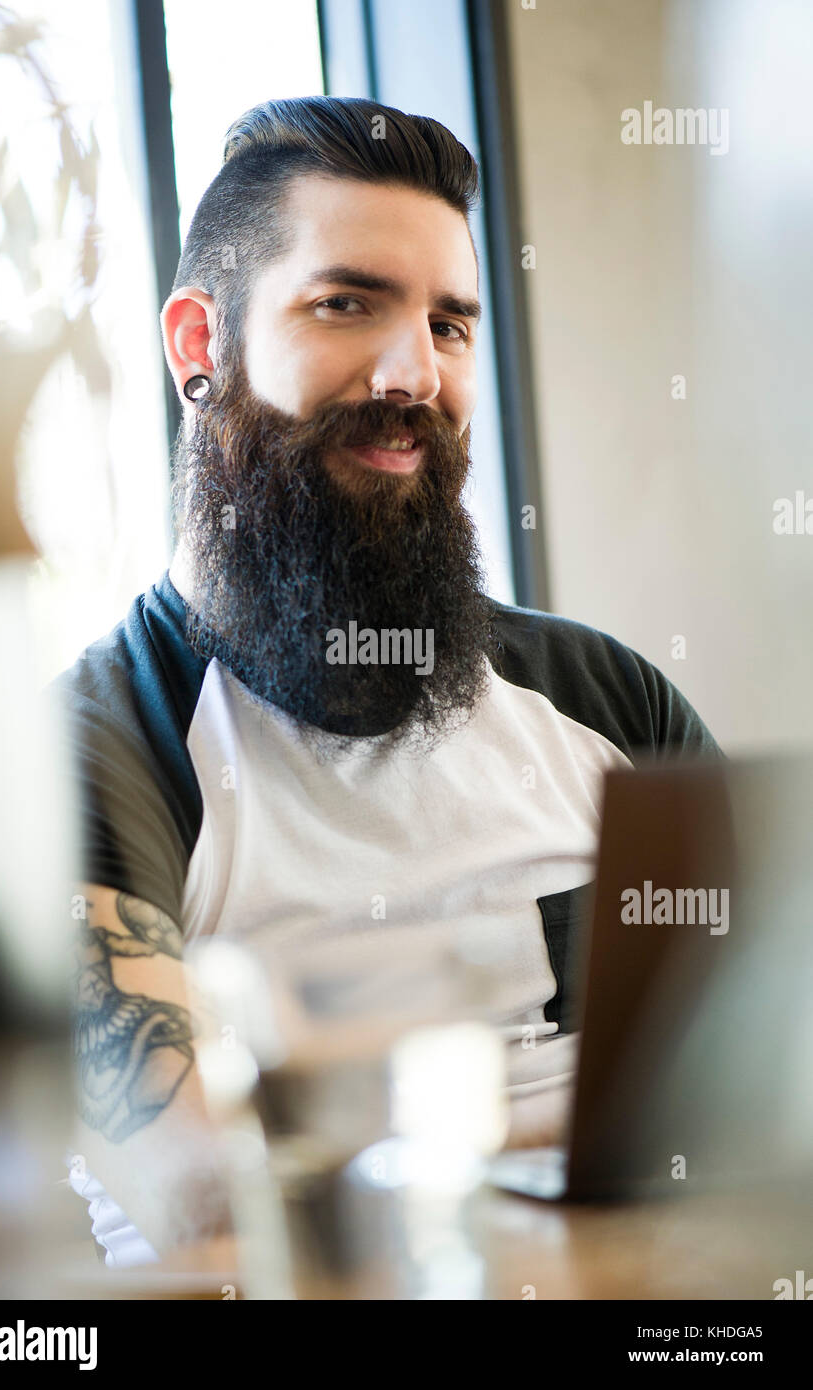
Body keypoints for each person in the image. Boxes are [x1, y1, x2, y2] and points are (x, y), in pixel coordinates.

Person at [56, 96, 722, 1267]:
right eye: (346, 303)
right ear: (200, 347)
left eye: (452, 324)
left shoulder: (606, 698)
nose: (415, 370)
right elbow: (222, 1204)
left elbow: (768, 1059)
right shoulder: (87, 756)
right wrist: (638, 1129)